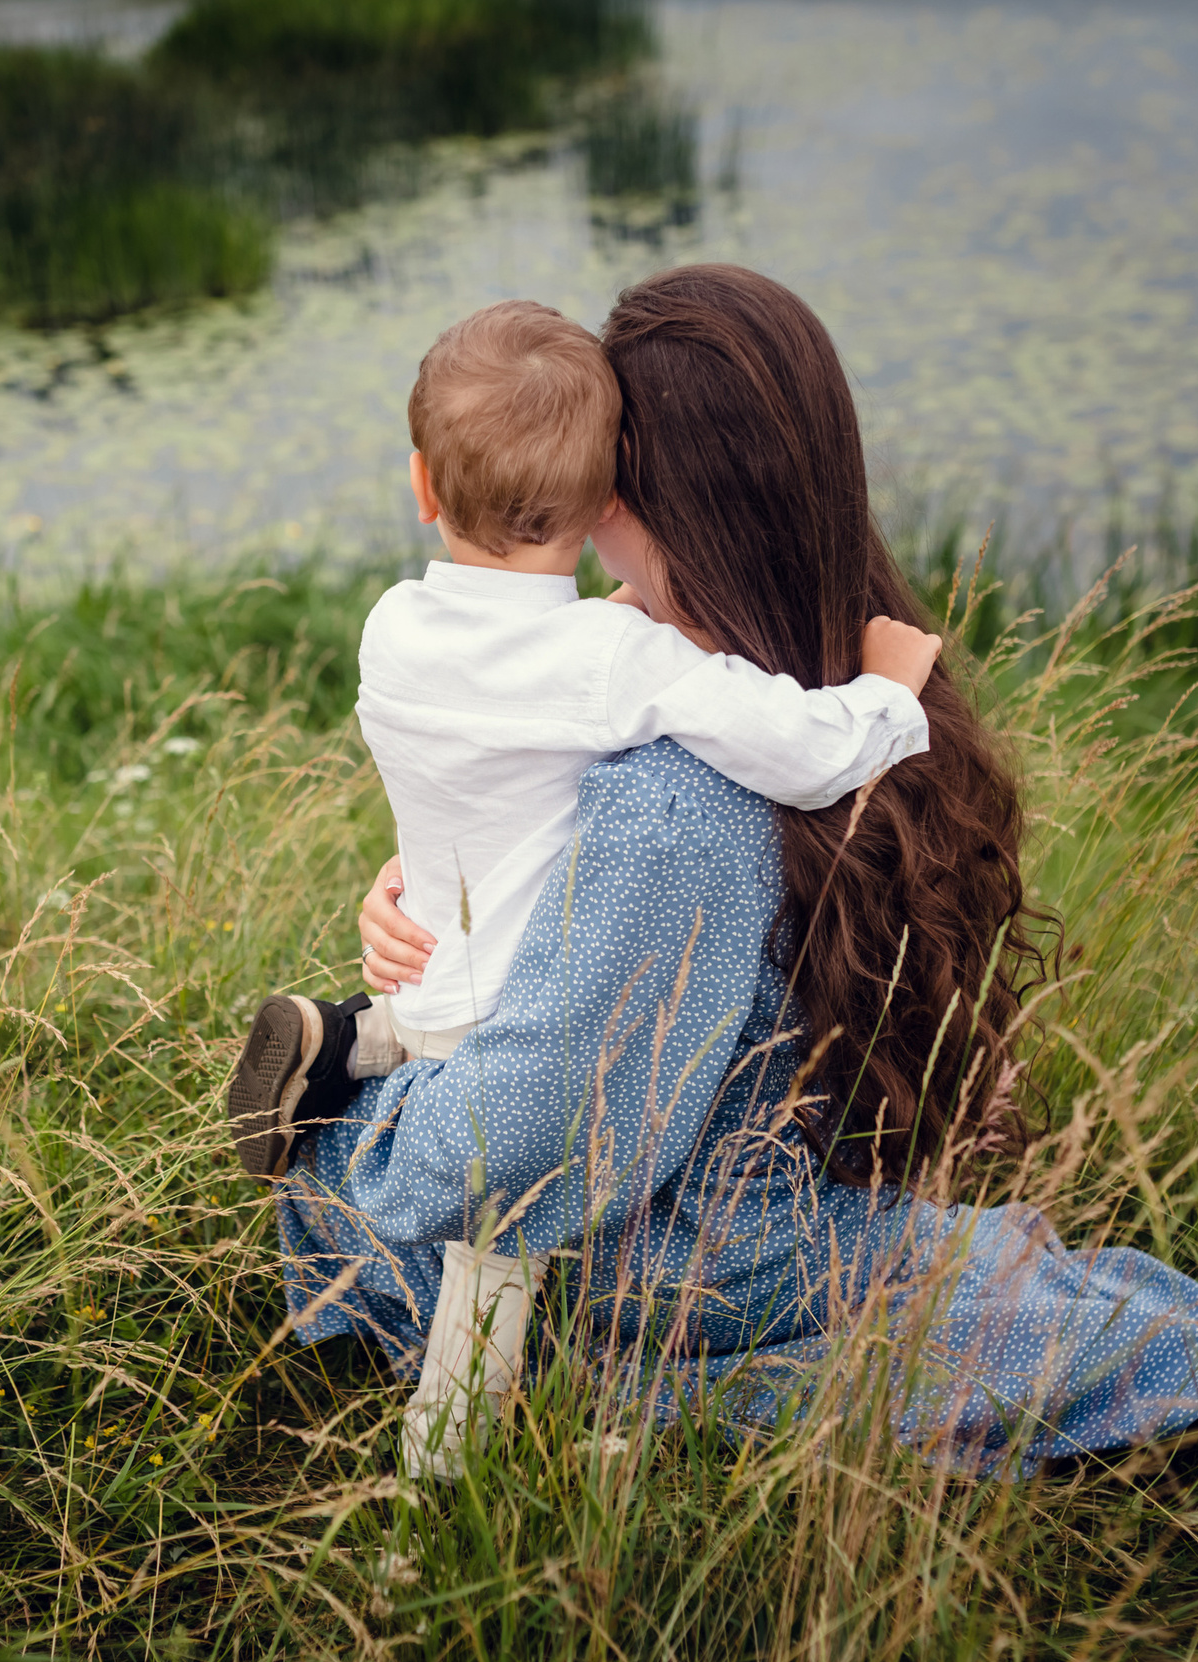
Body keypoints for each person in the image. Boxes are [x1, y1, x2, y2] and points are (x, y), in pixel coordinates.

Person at [277, 265, 1198, 1475]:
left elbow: (522, 1137)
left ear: (651, 500)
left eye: (603, 484)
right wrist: (432, 892)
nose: (577, 526)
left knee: (334, 1165)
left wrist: (374, 1145)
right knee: (1004, 1279)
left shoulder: (671, 797)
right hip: (759, 1204)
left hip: (649, 1256)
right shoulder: (836, 696)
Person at [226, 299, 943, 1179]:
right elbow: (808, 754)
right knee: (488, 1286)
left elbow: (513, 709)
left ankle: (350, 1045)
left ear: (422, 486)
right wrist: (886, 694)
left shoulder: (393, 625)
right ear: (606, 495)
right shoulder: (616, 662)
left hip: (423, 986)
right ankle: (450, 1300)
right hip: (521, 1033)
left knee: (420, 1052)